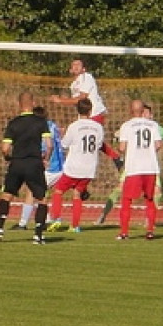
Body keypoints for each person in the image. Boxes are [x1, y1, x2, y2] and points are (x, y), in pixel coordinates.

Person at [96, 103, 163, 225]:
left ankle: (148, 221)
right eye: (145, 112)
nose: (146, 115)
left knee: (156, 192)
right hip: (134, 165)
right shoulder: (131, 126)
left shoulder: (155, 127)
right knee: (119, 190)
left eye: (148, 113)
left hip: (149, 165)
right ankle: (103, 215)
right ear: (141, 112)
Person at [0, 91, 51, 244]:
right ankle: (38, 235)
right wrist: (46, 158)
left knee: (7, 195)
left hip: (17, 162)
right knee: (42, 198)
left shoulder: (13, 123)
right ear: (33, 103)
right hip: (33, 163)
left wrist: (8, 158)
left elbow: (5, 148)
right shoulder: (41, 122)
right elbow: (49, 145)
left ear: (19, 105)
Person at [49, 58, 123, 170]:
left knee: (87, 136)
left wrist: (61, 101)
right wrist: (63, 100)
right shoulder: (73, 84)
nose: (76, 66)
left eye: (78, 64)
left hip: (95, 112)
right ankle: (115, 157)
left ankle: (114, 157)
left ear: (84, 69)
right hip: (86, 115)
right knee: (89, 139)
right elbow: (77, 102)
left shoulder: (87, 77)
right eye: (73, 65)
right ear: (70, 70)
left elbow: (82, 98)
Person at [47, 98, 104, 233]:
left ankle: (56, 218)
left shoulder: (74, 126)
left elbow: (64, 144)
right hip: (89, 168)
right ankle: (75, 226)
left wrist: (62, 135)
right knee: (77, 194)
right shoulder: (98, 127)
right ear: (90, 111)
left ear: (77, 111)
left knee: (58, 191)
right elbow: (99, 145)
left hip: (74, 167)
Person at [116, 99, 163, 240]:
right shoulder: (153, 125)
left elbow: (122, 148)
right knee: (149, 199)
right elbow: (158, 145)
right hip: (150, 167)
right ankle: (150, 231)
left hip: (134, 167)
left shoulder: (126, 126)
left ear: (131, 111)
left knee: (126, 199)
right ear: (143, 110)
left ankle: (124, 232)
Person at [14, 105, 63, 230]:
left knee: (31, 191)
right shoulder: (52, 125)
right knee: (41, 193)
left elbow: (45, 148)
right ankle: (47, 221)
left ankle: (23, 223)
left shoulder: (39, 130)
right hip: (61, 167)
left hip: (50, 168)